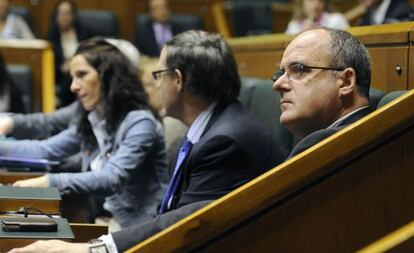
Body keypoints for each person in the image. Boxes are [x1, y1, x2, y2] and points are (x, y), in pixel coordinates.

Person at [8, 30, 281, 253]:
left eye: (158, 75)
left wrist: (88, 250)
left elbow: (187, 224)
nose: (154, 85)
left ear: (177, 80)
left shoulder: (223, 139)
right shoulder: (213, 127)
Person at [1, 38, 168, 229]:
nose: (73, 86)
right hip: (105, 220)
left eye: (82, 75)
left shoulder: (140, 123)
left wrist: (50, 181)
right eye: (73, 77)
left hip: (139, 229)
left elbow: (111, 178)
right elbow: (45, 149)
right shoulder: (94, 119)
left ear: (108, 77)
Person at [273, 27, 372, 158]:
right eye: (281, 73)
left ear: (346, 81)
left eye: (298, 70)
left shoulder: (318, 146)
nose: (277, 84)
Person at [48, 0, 93, 107]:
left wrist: (74, 62)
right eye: (60, 13)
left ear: (73, 16)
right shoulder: (52, 36)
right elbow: (50, 61)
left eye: (67, 13)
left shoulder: (85, 32)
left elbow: (91, 51)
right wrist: (61, 67)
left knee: (75, 69)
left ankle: (60, 101)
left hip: (83, 68)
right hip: (61, 74)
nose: (63, 17)